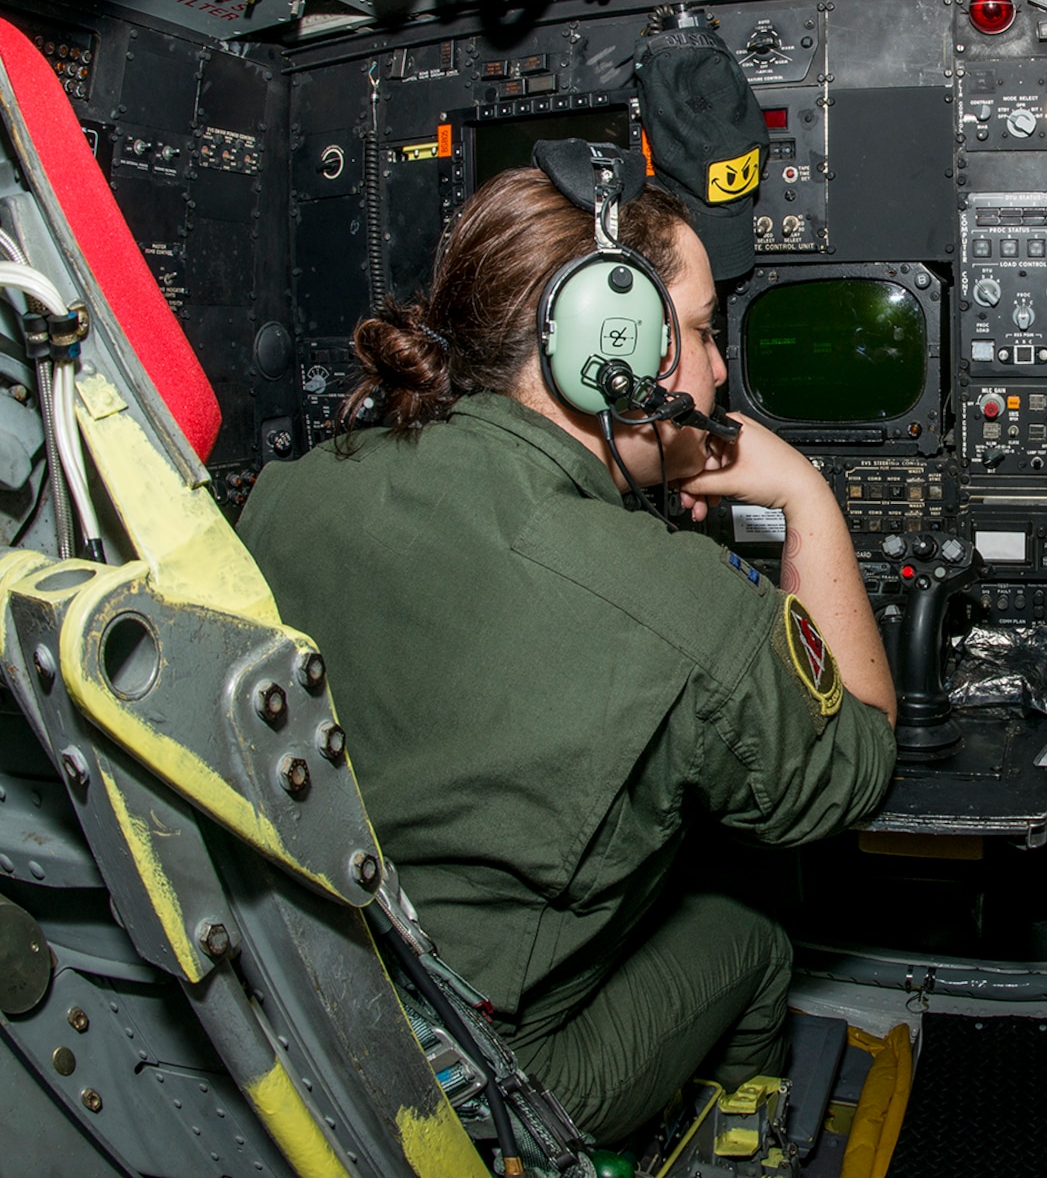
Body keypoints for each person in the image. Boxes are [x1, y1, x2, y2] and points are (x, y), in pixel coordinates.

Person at [236, 162, 898, 1142]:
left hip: (292, 1006)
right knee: (752, 935)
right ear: (607, 348)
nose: (717, 374)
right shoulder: (675, 606)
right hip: (484, 1078)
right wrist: (805, 494)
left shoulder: (285, 495)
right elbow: (853, 766)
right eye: (704, 332)